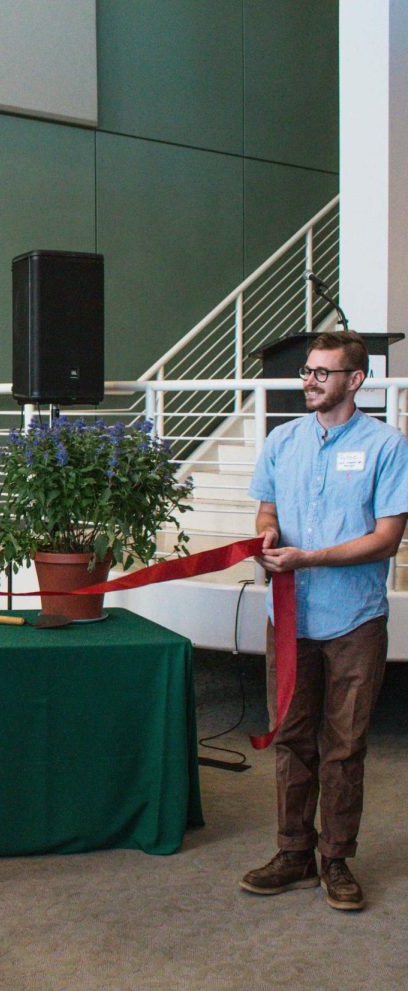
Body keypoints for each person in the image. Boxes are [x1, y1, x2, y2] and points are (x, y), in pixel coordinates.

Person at [240, 330, 408, 911]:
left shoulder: (388, 446)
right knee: (290, 737)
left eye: (321, 373)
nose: (308, 381)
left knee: (343, 745)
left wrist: (309, 557)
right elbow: (268, 508)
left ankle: (336, 859)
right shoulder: (282, 440)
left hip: (354, 621)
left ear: (354, 380)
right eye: (307, 371)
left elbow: (387, 539)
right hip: (287, 618)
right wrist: (267, 533)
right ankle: (293, 854)